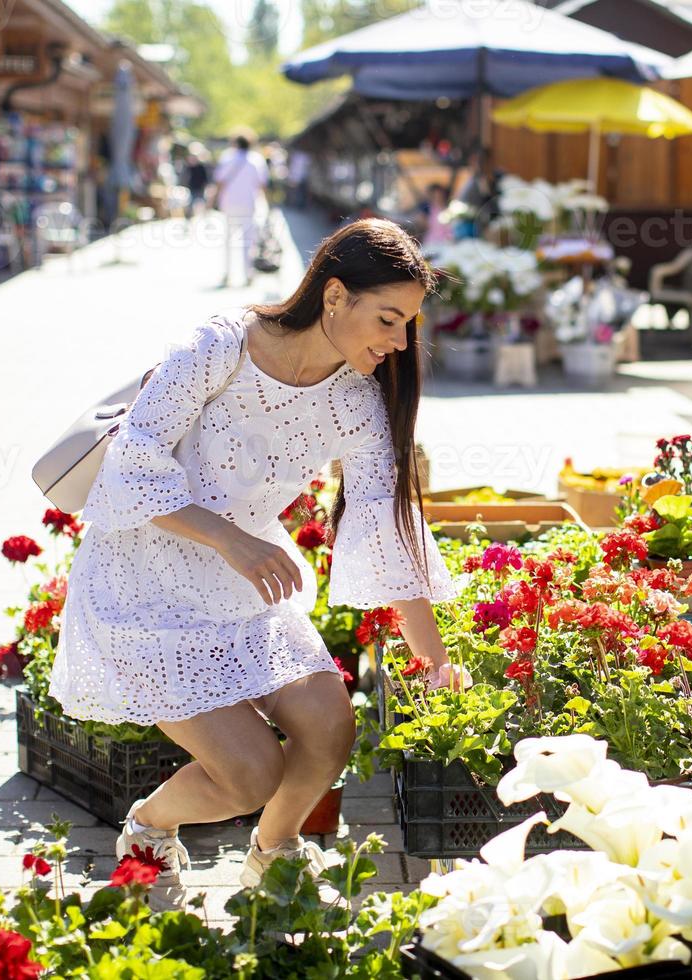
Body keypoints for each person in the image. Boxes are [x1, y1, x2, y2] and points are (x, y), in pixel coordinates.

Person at [48, 218, 458, 910]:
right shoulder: (218, 348)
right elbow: (132, 462)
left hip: (237, 591)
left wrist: (437, 664)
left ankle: (272, 859)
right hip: (141, 585)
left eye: (406, 327)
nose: (396, 343)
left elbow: (385, 525)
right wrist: (232, 540)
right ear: (334, 296)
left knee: (330, 726)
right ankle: (148, 833)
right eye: (387, 319)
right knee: (247, 774)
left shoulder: (356, 401)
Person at [212, 128, 268, 287]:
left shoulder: (227, 157)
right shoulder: (257, 159)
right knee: (248, 240)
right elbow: (262, 184)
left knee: (228, 240)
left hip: (228, 204)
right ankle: (248, 274)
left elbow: (219, 181)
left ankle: (227, 274)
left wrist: (213, 201)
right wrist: (267, 204)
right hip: (248, 204)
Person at [183, 143, 210, 221]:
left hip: (200, 188)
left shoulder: (201, 166)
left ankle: (205, 218)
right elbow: (185, 176)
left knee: (203, 203)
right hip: (192, 187)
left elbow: (205, 177)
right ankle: (188, 217)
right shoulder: (189, 167)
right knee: (190, 203)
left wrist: (206, 186)